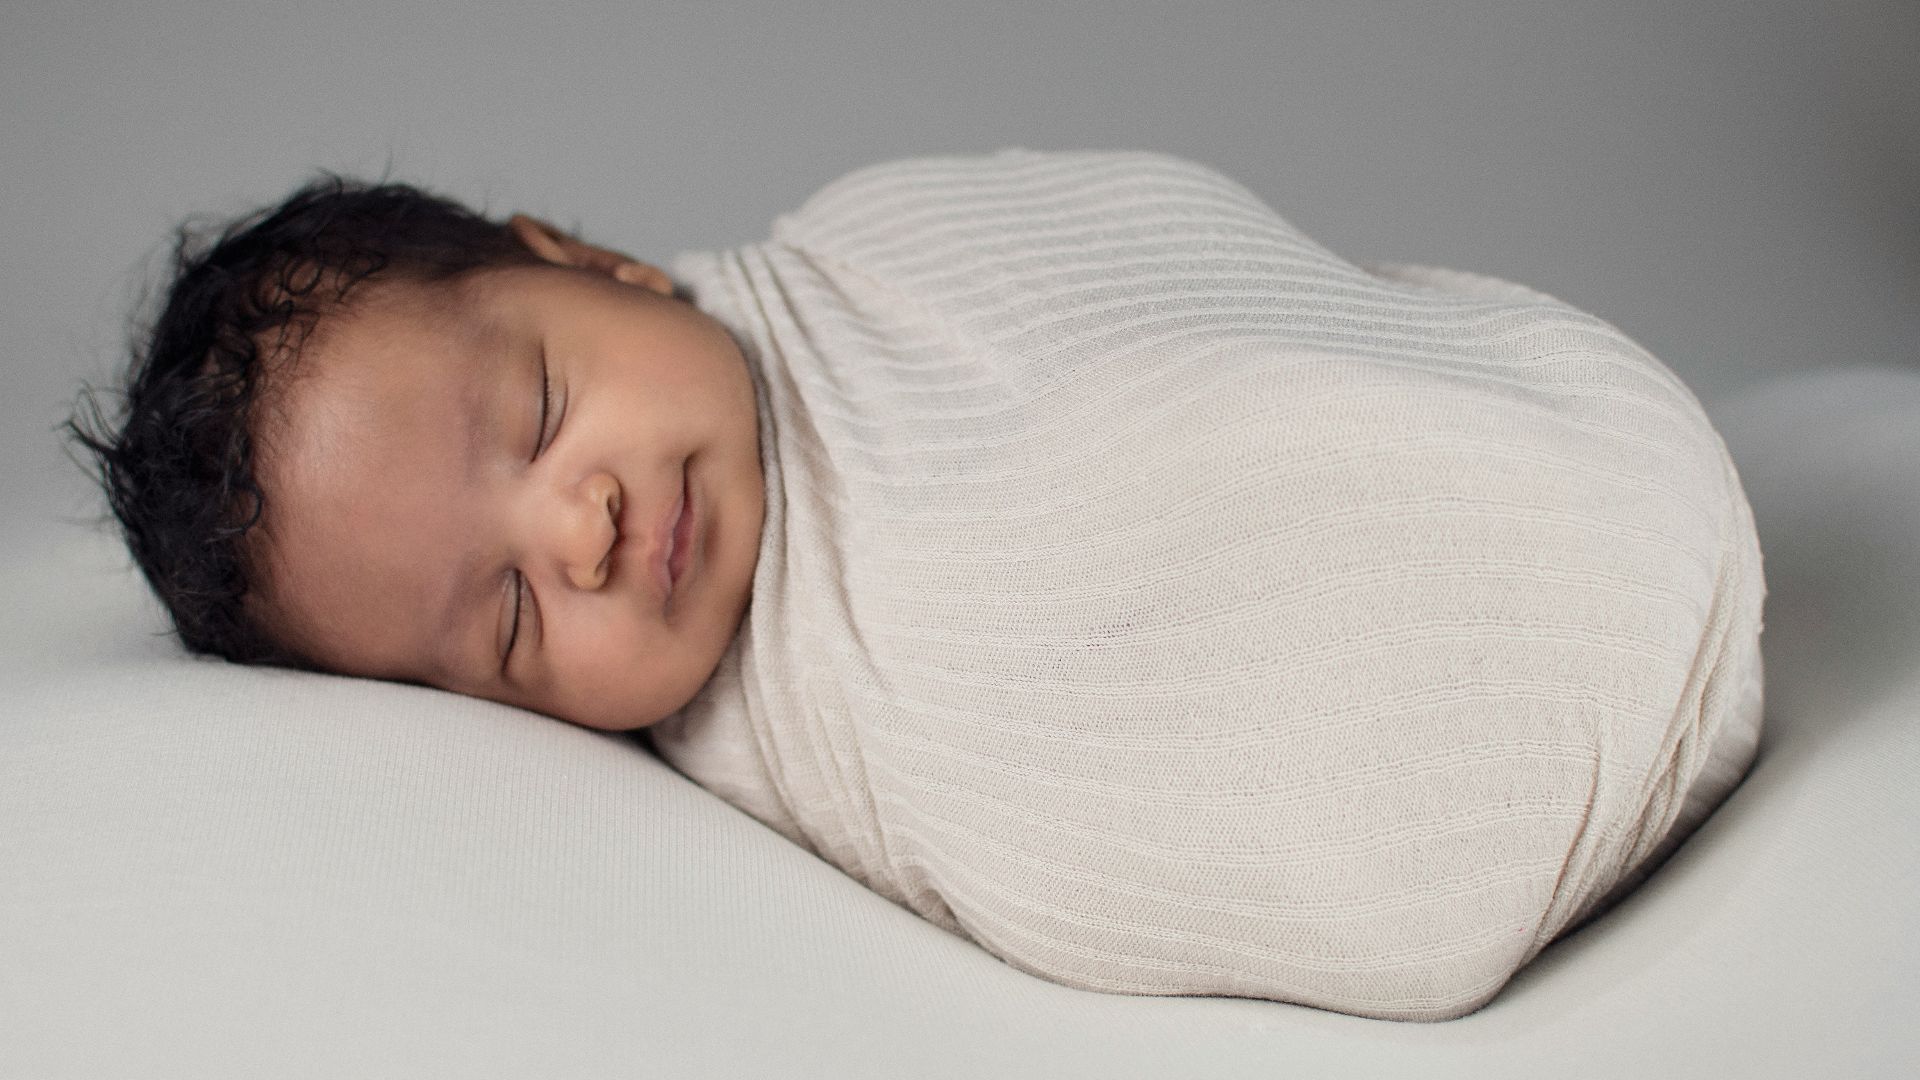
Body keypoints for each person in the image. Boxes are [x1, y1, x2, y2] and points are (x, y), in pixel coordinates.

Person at [68, 177, 766, 731]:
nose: (586, 536)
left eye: (543, 412)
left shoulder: (820, 273)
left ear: (593, 265)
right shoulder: (769, 745)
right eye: (514, 617)